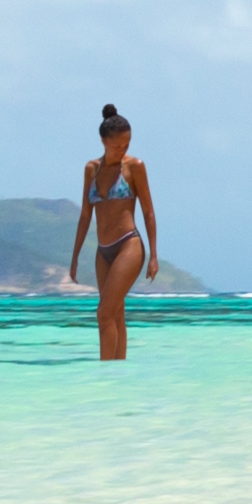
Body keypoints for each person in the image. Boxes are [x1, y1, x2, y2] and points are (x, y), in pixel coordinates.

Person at [66, 105, 160, 359]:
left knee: (104, 313)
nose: (122, 150)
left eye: (126, 145)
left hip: (129, 245)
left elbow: (148, 212)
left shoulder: (135, 167)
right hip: (103, 251)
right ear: (103, 141)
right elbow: (85, 215)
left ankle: (105, 374)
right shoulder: (91, 169)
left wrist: (153, 256)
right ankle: (119, 374)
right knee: (115, 314)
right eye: (117, 146)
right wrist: (75, 257)